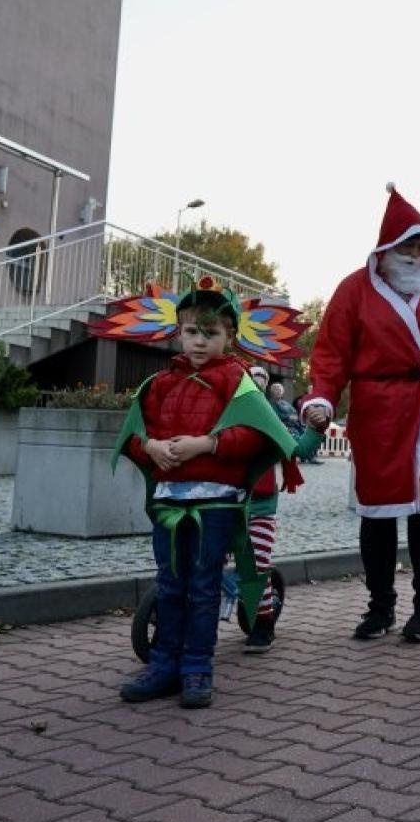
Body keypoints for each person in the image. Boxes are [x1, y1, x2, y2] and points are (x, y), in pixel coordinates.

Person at [114, 279, 293, 708]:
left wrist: (207, 444)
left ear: (229, 336)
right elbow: (136, 435)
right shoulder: (158, 385)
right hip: (170, 503)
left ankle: (197, 668)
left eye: (211, 333)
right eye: (192, 331)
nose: (199, 341)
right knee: (171, 584)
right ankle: (164, 665)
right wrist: (152, 447)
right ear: (179, 332)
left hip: (215, 503)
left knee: (203, 585)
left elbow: (257, 434)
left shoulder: (238, 382)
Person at [301, 185, 420, 643]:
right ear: (385, 248)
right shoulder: (354, 289)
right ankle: (380, 605)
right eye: (404, 246)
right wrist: (322, 398)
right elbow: (330, 353)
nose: (413, 255)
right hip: (379, 413)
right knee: (377, 513)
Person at [239, 365, 326, 652]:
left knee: (257, 563)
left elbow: (298, 448)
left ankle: (264, 622)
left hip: (261, 503)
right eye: (252, 379)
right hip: (224, 501)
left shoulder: (269, 416)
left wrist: (316, 429)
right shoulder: (228, 415)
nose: (256, 383)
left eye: (261, 379)